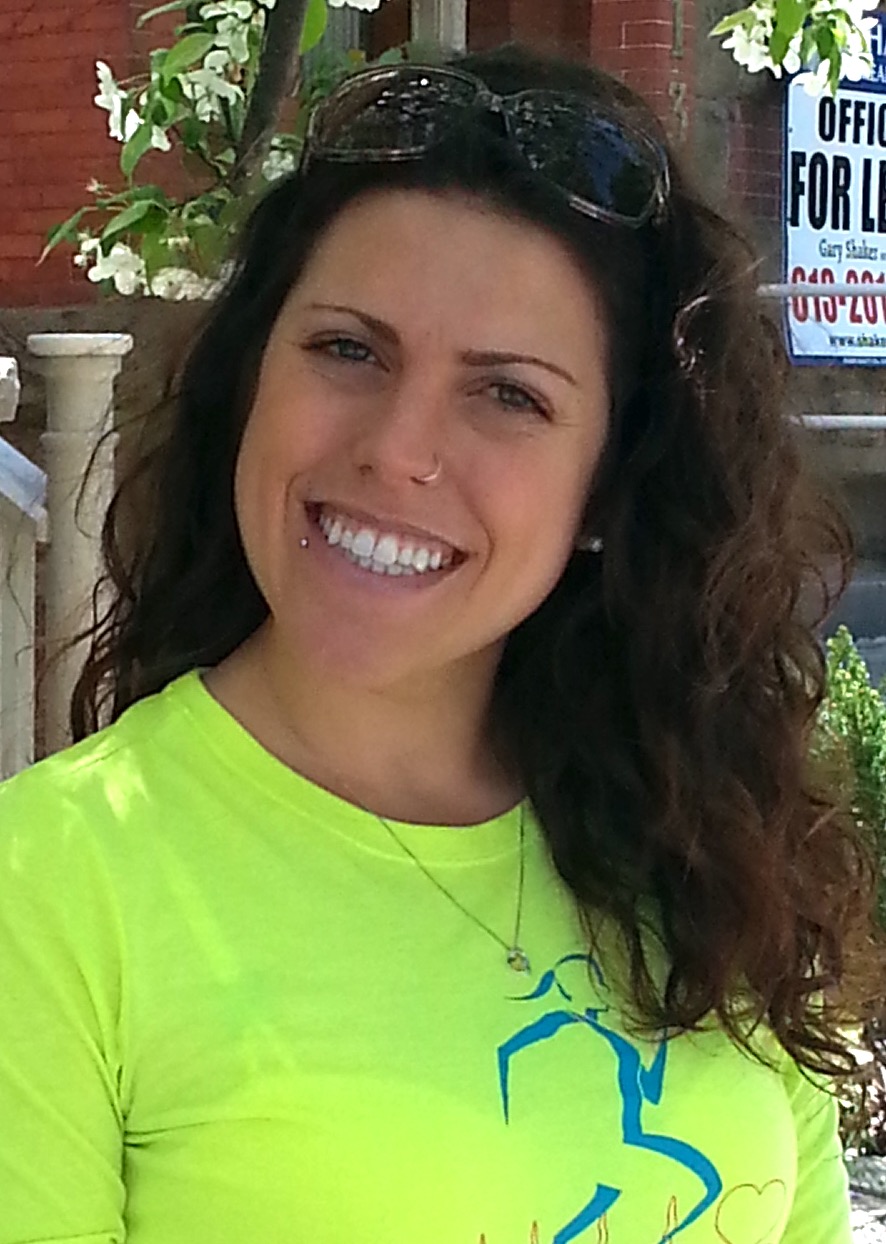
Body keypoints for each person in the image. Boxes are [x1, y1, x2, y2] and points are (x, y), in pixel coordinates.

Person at [0, 43, 879, 1244]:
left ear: (609, 484)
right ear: (250, 379)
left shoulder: (699, 836)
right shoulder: (50, 888)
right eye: (349, 349)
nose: (399, 448)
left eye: (508, 394)